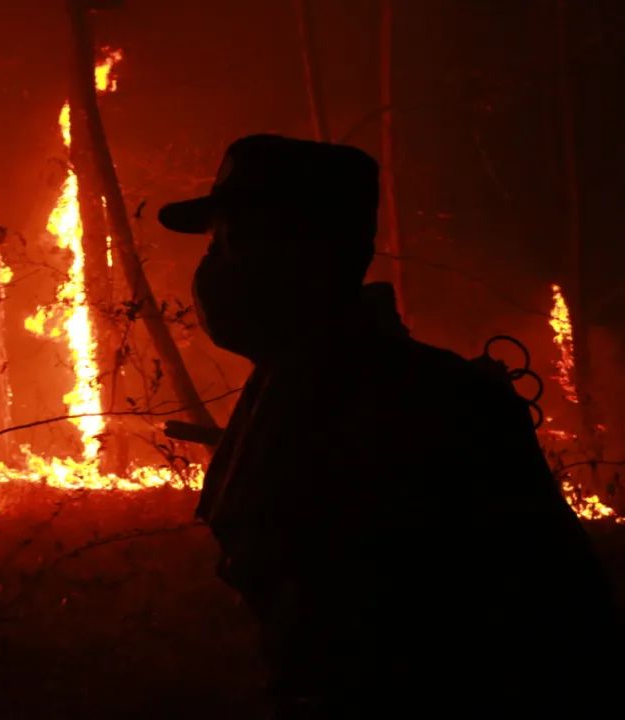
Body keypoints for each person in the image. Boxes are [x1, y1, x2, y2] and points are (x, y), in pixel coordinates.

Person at [159, 134, 619, 718]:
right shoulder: (286, 387)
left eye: (235, 244)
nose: (213, 272)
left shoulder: (432, 405)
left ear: (309, 252)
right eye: (214, 249)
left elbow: (549, 629)